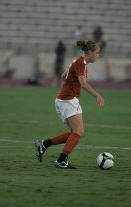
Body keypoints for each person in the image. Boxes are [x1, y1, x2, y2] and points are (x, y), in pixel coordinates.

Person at [35, 40, 105, 169]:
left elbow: (63, 76)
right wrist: (97, 95)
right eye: (97, 53)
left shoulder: (77, 61)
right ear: (90, 52)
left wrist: (70, 84)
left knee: (74, 133)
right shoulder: (81, 63)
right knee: (78, 132)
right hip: (68, 100)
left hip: (63, 99)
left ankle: (44, 144)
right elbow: (83, 83)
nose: (98, 55)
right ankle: (61, 160)